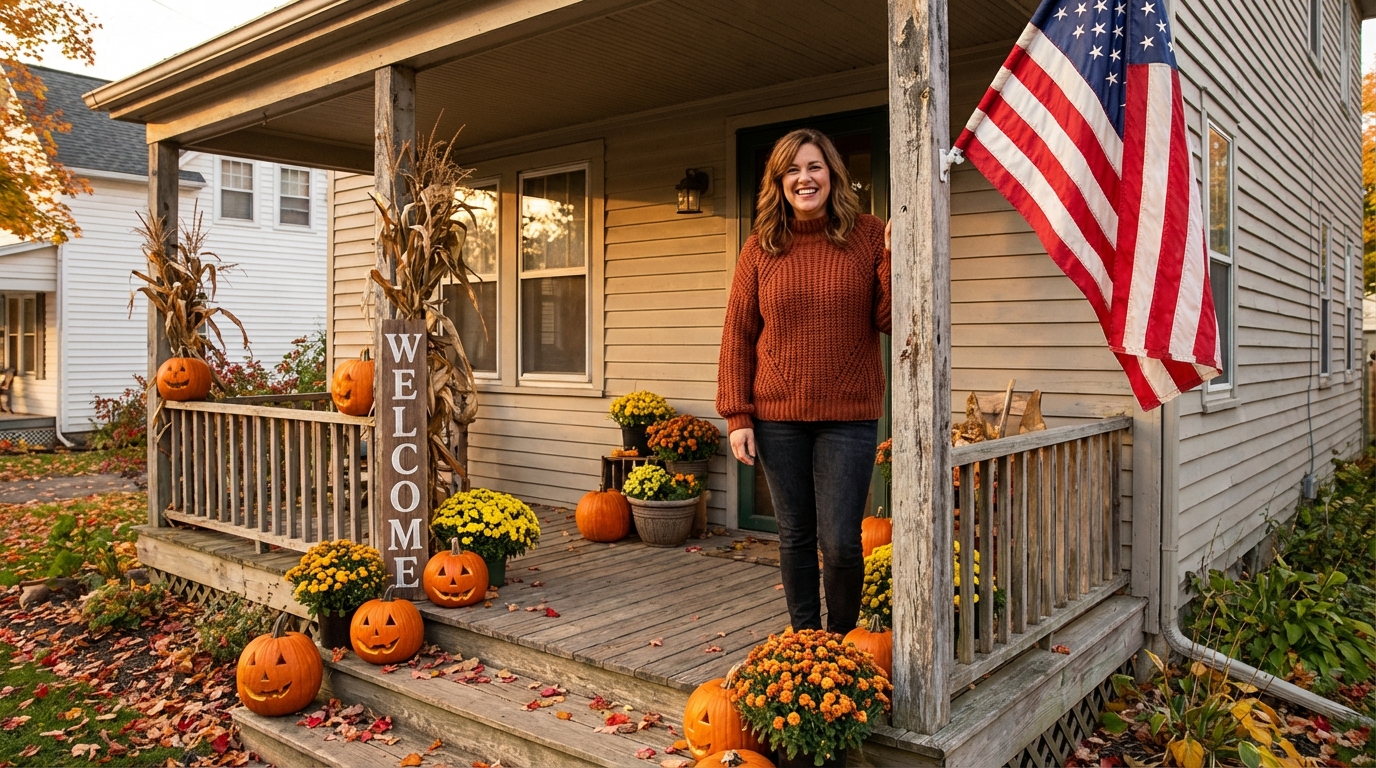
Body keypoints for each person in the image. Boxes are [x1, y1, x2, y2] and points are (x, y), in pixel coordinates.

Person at [716, 128, 891, 634]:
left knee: (839, 541)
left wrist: (894, 258)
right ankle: (806, 639)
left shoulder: (866, 235)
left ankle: (839, 643)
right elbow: (738, 333)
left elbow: (887, 317)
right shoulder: (761, 246)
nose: (804, 178)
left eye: (813, 167)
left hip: (849, 416)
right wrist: (737, 415)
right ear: (779, 182)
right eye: (792, 170)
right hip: (777, 417)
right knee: (794, 537)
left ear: (832, 173)